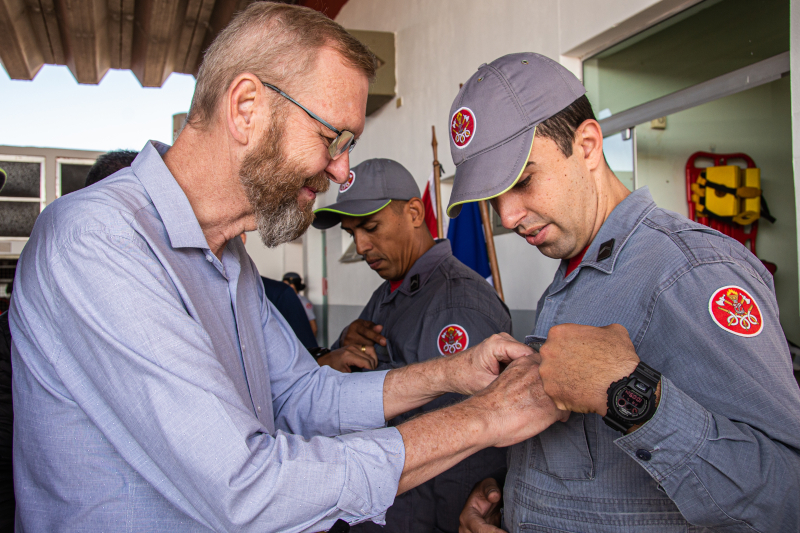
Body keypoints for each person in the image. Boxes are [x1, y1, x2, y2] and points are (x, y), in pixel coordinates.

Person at [8, 8, 566, 532]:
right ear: (246, 107)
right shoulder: (100, 241)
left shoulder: (230, 259)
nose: (343, 172)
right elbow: (246, 489)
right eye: (332, 138)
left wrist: (452, 375)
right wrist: (486, 418)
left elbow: (304, 397)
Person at [451, 52, 800, 533]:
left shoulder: (690, 270)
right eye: (493, 198)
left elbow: (788, 493)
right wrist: (508, 496)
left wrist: (631, 396)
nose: (507, 217)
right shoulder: (572, 269)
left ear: (589, 145)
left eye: (524, 180)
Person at [312, 158, 511, 533]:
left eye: (371, 228)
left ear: (416, 212)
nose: (361, 246)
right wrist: (339, 351)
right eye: (351, 232)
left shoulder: (456, 302)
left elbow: (463, 445)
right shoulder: (391, 291)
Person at [282, 271, 318, 337]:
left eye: (288, 284)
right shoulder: (284, 300)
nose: (285, 287)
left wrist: (311, 344)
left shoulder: (304, 302)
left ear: (295, 285)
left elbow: (313, 326)